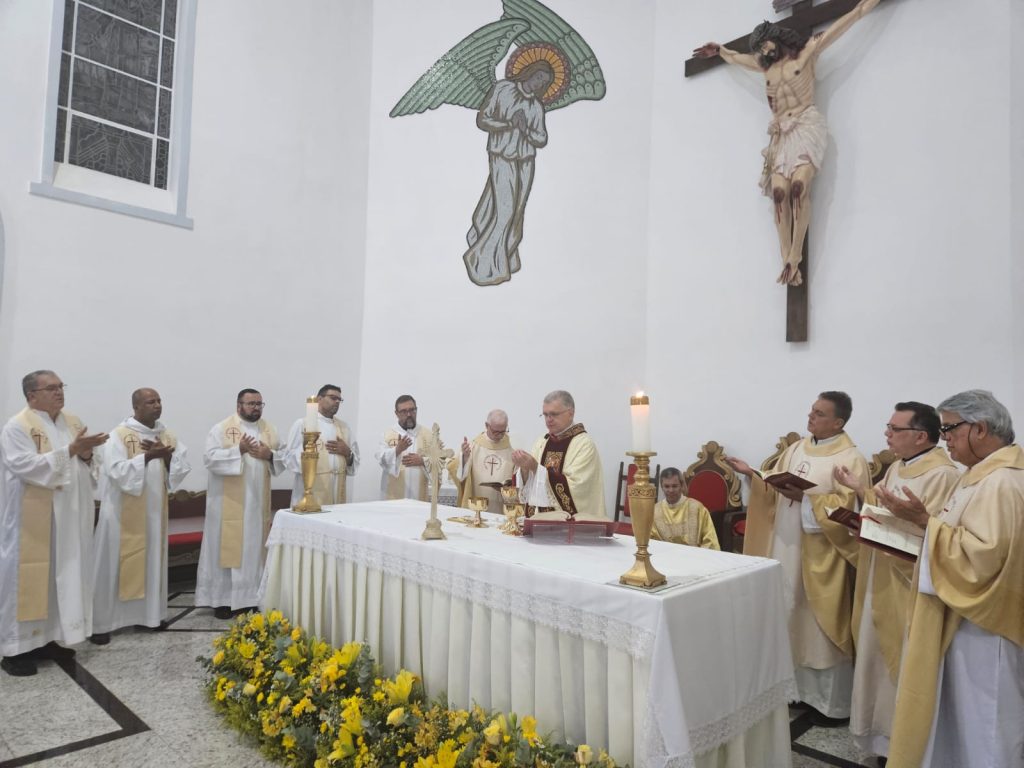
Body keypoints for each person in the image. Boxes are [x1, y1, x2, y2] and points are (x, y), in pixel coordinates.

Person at [692, 0, 881, 286]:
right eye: (760, 50)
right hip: (780, 135)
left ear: (775, 37)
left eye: (765, 45)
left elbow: (850, 19)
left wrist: (865, 5)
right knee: (780, 193)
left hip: (805, 125)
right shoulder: (763, 66)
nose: (764, 52)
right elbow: (737, 59)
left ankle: (795, 255)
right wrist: (720, 51)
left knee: (798, 187)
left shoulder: (806, 53)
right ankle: (787, 262)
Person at [885, 390, 1024, 768]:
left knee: (986, 723)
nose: (943, 438)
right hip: (961, 618)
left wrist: (923, 522)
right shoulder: (978, 475)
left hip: (983, 627)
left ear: (980, 428)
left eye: (949, 429)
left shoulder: (1001, 481)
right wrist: (925, 525)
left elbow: (984, 558)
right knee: (961, 721)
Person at [726, 391, 869, 723]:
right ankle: (792, 690)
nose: (810, 417)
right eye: (811, 411)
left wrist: (806, 500)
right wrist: (752, 474)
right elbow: (773, 482)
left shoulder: (851, 458)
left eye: (819, 413)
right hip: (785, 544)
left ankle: (828, 704)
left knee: (818, 624)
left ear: (838, 422)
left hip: (822, 555)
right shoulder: (796, 449)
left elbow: (851, 510)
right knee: (788, 613)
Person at [832, 402, 959, 761]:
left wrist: (884, 524)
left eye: (894, 428)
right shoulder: (898, 467)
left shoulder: (942, 475)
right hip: (880, 574)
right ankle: (876, 740)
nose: (886, 434)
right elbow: (884, 509)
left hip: (908, 584)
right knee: (874, 660)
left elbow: (935, 534)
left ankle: (901, 746)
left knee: (899, 664)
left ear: (920, 436)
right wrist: (861, 495)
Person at [0, 371, 108, 676]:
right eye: (51, 388)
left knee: (58, 578)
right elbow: (23, 465)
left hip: (68, 518)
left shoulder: (72, 422)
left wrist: (86, 454)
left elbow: (89, 464)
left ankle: (47, 638)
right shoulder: (17, 426)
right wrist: (71, 451)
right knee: (27, 579)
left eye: (61, 387)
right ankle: (15, 649)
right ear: (31, 395)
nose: (59, 392)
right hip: (33, 520)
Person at [91, 388, 190, 644]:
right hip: (121, 516)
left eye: (159, 401)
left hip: (154, 514)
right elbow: (115, 471)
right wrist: (147, 457)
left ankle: (149, 617)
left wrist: (167, 457)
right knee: (113, 566)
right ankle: (102, 624)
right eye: (150, 402)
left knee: (150, 563)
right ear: (136, 406)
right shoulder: (119, 435)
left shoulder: (166, 435)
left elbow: (181, 467)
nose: (157, 405)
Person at [196, 389, 285, 620]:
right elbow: (209, 459)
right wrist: (239, 450)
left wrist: (270, 455)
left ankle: (251, 599)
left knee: (253, 552)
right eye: (251, 403)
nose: (256, 407)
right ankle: (222, 600)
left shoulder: (270, 430)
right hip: (227, 505)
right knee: (225, 551)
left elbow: (284, 457)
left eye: (259, 403)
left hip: (257, 506)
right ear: (239, 406)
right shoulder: (221, 429)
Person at [463, 60, 553, 286]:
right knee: (505, 211)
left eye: (544, 82)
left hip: (525, 162)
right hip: (501, 156)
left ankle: (505, 254)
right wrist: (508, 124)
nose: (539, 83)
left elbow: (541, 138)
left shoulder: (536, 107)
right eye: (538, 77)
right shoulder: (503, 89)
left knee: (516, 212)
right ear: (529, 72)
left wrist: (525, 130)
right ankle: (482, 262)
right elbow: (483, 119)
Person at [511, 390, 606, 519]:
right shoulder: (542, 441)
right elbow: (528, 486)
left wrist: (535, 468)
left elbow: (577, 488)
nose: (548, 420)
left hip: (572, 525)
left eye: (554, 414)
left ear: (571, 413)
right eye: (545, 415)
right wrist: (524, 469)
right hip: (540, 521)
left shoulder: (584, 444)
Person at [284, 384, 359, 507]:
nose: (337, 402)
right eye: (333, 398)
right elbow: (288, 459)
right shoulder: (302, 424)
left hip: (337, 495)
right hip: (310, 495)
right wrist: (308, 453)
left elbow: (354, 462)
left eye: (339, 399)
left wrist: (348, 454)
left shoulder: (344, 428)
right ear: (319, 399)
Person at [455, 409, 516, 513]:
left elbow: (518, 479)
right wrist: (464, 458)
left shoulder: (512, 449)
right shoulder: (473, 447)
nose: (500, 435)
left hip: (501, 509)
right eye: (496, 432)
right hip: (476, 507)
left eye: (503, 431)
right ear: (487, 425)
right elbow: (460, 477)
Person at [375, 395, 434, 501]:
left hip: (419, 498)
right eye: (403, 411)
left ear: (416, 410)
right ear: (396, 413)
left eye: (412, 410)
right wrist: (397, 450)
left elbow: (439, 461)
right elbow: (381, 459)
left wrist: (423, 461)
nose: (409, 414)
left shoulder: (428, 435)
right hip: (393, 498)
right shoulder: (387, 434)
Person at [649, 467, 720, 549]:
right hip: (665, 554)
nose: (671, 490)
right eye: (667, 486)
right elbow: (651, 541)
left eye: (674, 486)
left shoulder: (697, 508)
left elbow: (710, 541)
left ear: (681, 485)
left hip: (694, 555)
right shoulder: (655, 511)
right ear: (662, 487)